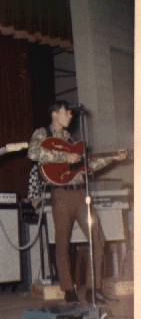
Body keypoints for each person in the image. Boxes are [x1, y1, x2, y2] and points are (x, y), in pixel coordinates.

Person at [27, 100, 127, 304]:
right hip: (61, 194)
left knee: (97, 239)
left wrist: (113, 158)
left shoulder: (73, 140)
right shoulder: (42, 133)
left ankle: (93, 290)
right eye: (66, 112)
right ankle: (68, 290)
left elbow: (88, 166)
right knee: (62, 243)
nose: (71, 115)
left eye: (72, 113)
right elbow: (33, 152)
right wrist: (65, 156)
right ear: (55, 114)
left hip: (82, 194)